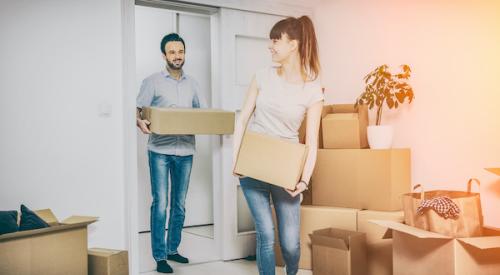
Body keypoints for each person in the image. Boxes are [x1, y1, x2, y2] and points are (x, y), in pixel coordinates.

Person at [232, 16, 324, 275]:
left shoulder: (312, 90)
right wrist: (236, 159)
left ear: (293, 44)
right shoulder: (261, 77)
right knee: (264, 234)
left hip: (286, 172)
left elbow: (312, 142)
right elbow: (242, 121)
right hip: (254, 165)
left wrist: (304, 181)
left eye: (275, 41)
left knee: (291, 244)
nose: (270, 47)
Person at [136, 33, 205, 274]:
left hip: (185, 150)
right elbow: (139, 112)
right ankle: (160, 256)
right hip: (160, 151)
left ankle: (173, 248)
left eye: (181, 51)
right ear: (164, 55)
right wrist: (140, 122)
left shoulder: (193, 83)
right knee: (161, 203)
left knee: (179, 204)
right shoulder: (152, 81)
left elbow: (202, 115)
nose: (177, 56)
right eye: (172, 52)